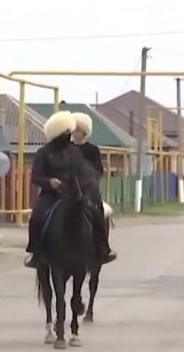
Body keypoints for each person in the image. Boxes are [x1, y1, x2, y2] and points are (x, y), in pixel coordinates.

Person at [24, 110, 102, 268]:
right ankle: (36, 252)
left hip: (73, 193)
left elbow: (85, 171)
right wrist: (49, 182)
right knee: (36, 217)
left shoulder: (74, 152)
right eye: (66, 132)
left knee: (94, 213)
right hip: (50, 195)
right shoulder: (43, 153)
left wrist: (87, 183)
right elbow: (35, 177)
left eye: (70, 131)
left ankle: (102, 248)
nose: (70, 135)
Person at [69, 112, 117, 265]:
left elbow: (98, 171)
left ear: (84, 132)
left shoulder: (92, 150)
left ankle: (103, 248)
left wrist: (88, 183)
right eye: (73, 130)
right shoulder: (66, 148)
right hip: (66, 189)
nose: (74, 134)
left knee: (98, 214)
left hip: (87, 191)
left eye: (77, 130)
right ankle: (39, 251)